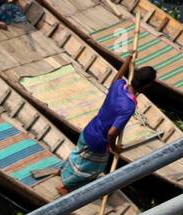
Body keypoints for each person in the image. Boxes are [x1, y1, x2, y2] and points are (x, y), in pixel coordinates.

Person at [57, 55, 157, 194]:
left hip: (89, 129)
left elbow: (116, 77)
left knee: (78, 153)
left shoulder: (119, 85)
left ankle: (62, 171)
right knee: (94, 168)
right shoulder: (128, 106)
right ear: (146, 86)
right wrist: (114, 148)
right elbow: (111, 133)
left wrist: (126, 62)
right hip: (98, 141)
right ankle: (66, 187)